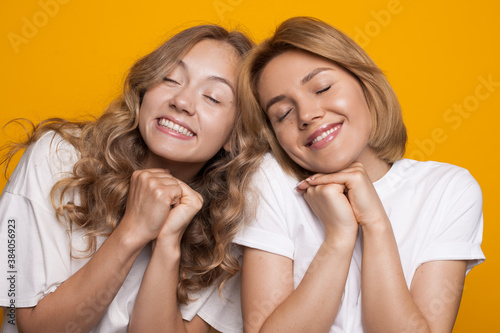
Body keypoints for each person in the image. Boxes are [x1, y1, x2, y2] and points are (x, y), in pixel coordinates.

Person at [233, 16, 485, 332]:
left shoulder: (448, 190)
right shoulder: (270, 182)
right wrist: (339, 237)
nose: (308, 115)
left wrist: (376, 224)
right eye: (282, 113)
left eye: (322, 88)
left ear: (364, 83)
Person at [0, 24, 253, 332]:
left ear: (235, 134)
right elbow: (31, 327)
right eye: (170, 78)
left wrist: (167, 243)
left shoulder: (230, 229)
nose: (182, 102)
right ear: (145, 90)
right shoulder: (57, 158)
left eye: (212, 97)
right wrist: (133, 231)